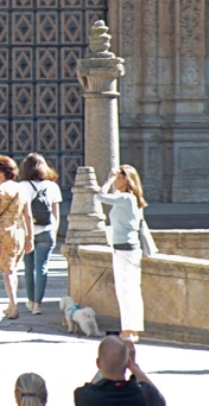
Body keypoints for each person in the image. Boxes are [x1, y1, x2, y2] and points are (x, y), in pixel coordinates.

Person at [95, 165, 148, 343]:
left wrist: (108, 179)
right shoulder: (131, 199)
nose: (115, 180)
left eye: (118, 177)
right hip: (129, 248)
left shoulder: (125, 198)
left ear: (126, 179)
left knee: (125, 290)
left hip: (124, 249)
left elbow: (99, 196)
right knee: (132, 289)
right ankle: (133, 329)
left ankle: (128, 330)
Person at [18, 153, 63, 316]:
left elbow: (20, 212)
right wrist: (54, 231)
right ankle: (38, 303)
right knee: (42, 268)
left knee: (28, 268)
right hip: (47, 231)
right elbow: (56, 213)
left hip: (26, 232)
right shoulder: (52, 186)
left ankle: (30, 300)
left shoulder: (21, 186)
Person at [0, 155, 34, 320]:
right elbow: (28, 215)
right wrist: (30, 238)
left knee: (7, 271)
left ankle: (13, 304)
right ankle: (11, 303)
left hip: (4, 231)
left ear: (2, 172)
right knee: (13, 269)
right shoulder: (22, 189)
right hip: (19, 231)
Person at [74, 336, 166, 405]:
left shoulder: (83, 396)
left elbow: (92, 386)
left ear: (98, 364)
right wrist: (134, 367)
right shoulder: (144, 394)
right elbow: (161, 401)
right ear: (128, 363)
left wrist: (103, 366)